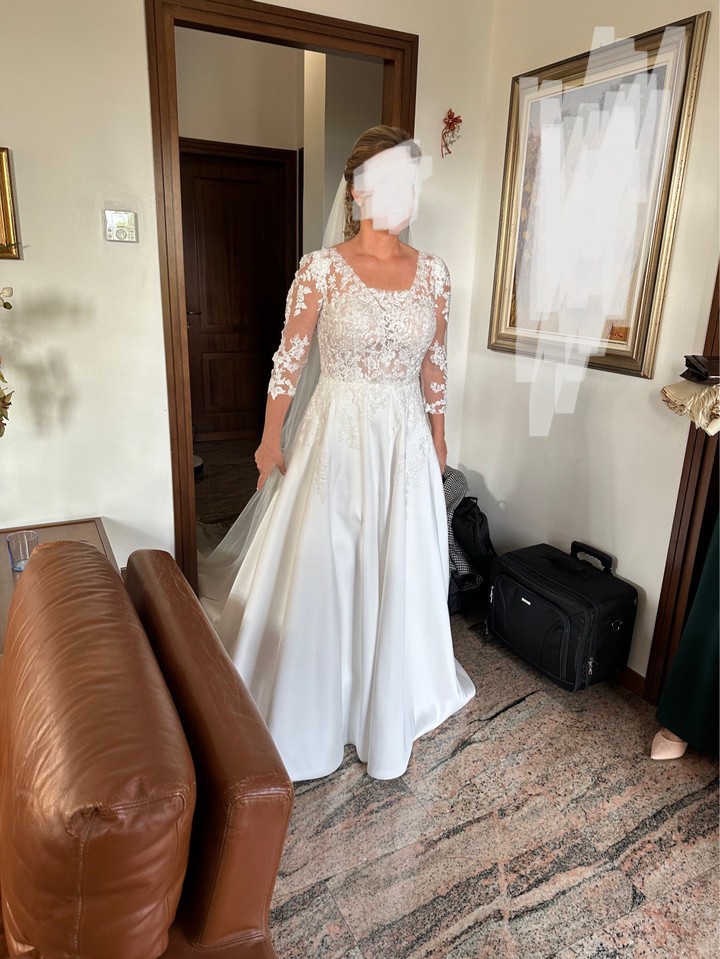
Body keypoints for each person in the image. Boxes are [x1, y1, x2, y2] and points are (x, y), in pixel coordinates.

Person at [198, 125, 475, 781]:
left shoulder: (434, 273)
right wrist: (269, 439)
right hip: (337, 432)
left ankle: (390, 695)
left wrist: (439, 435)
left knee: (394, 558)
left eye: (409, 182)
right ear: (357, 192)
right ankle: (318, 702)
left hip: (403, 437)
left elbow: (434, 363)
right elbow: (289, 362)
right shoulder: (321, 269)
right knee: (330, 558)